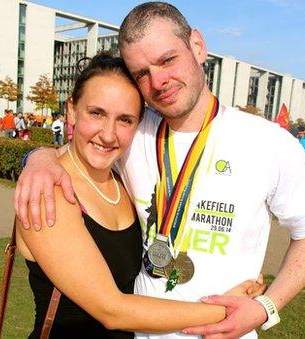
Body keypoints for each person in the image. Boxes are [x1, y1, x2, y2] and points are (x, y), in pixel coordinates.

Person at [15, 2, 305, 338]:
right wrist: (37, 159)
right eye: (142, 73)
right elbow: (80, 146)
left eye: (167, 60)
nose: (158, 81)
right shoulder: (134, 131)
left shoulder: (271, 144)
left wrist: (266, 306)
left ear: (197, 46)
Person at [16, 53, 262, 338]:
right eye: (96, 113)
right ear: (71, 110)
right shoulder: (49, 193)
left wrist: (36, 156)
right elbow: (112, 309)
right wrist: (229, 309)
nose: (108, 135)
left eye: (125, 120)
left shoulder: (122, 179)